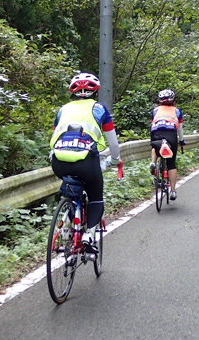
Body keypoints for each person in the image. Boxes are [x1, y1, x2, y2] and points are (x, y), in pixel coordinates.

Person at [50, 73, 121, 252]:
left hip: (59, 161)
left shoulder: (62, 110)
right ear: (95, 92)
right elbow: (113, 143)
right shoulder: (99, 109)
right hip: (86, 161)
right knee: (96, 196)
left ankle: (68, 221)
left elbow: (55, 134)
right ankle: (89, 233)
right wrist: (115, 160)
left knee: (71, 183)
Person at [149, 89, 185, 201]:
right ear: (173, 100)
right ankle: (173, 191)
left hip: (156, 133)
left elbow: (152, 124)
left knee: (155, 146)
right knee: (171, 163)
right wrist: (182, 140)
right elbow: (180, 129)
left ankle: (153, 162)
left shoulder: (155, 110)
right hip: (171, 135)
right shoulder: (177, 111)